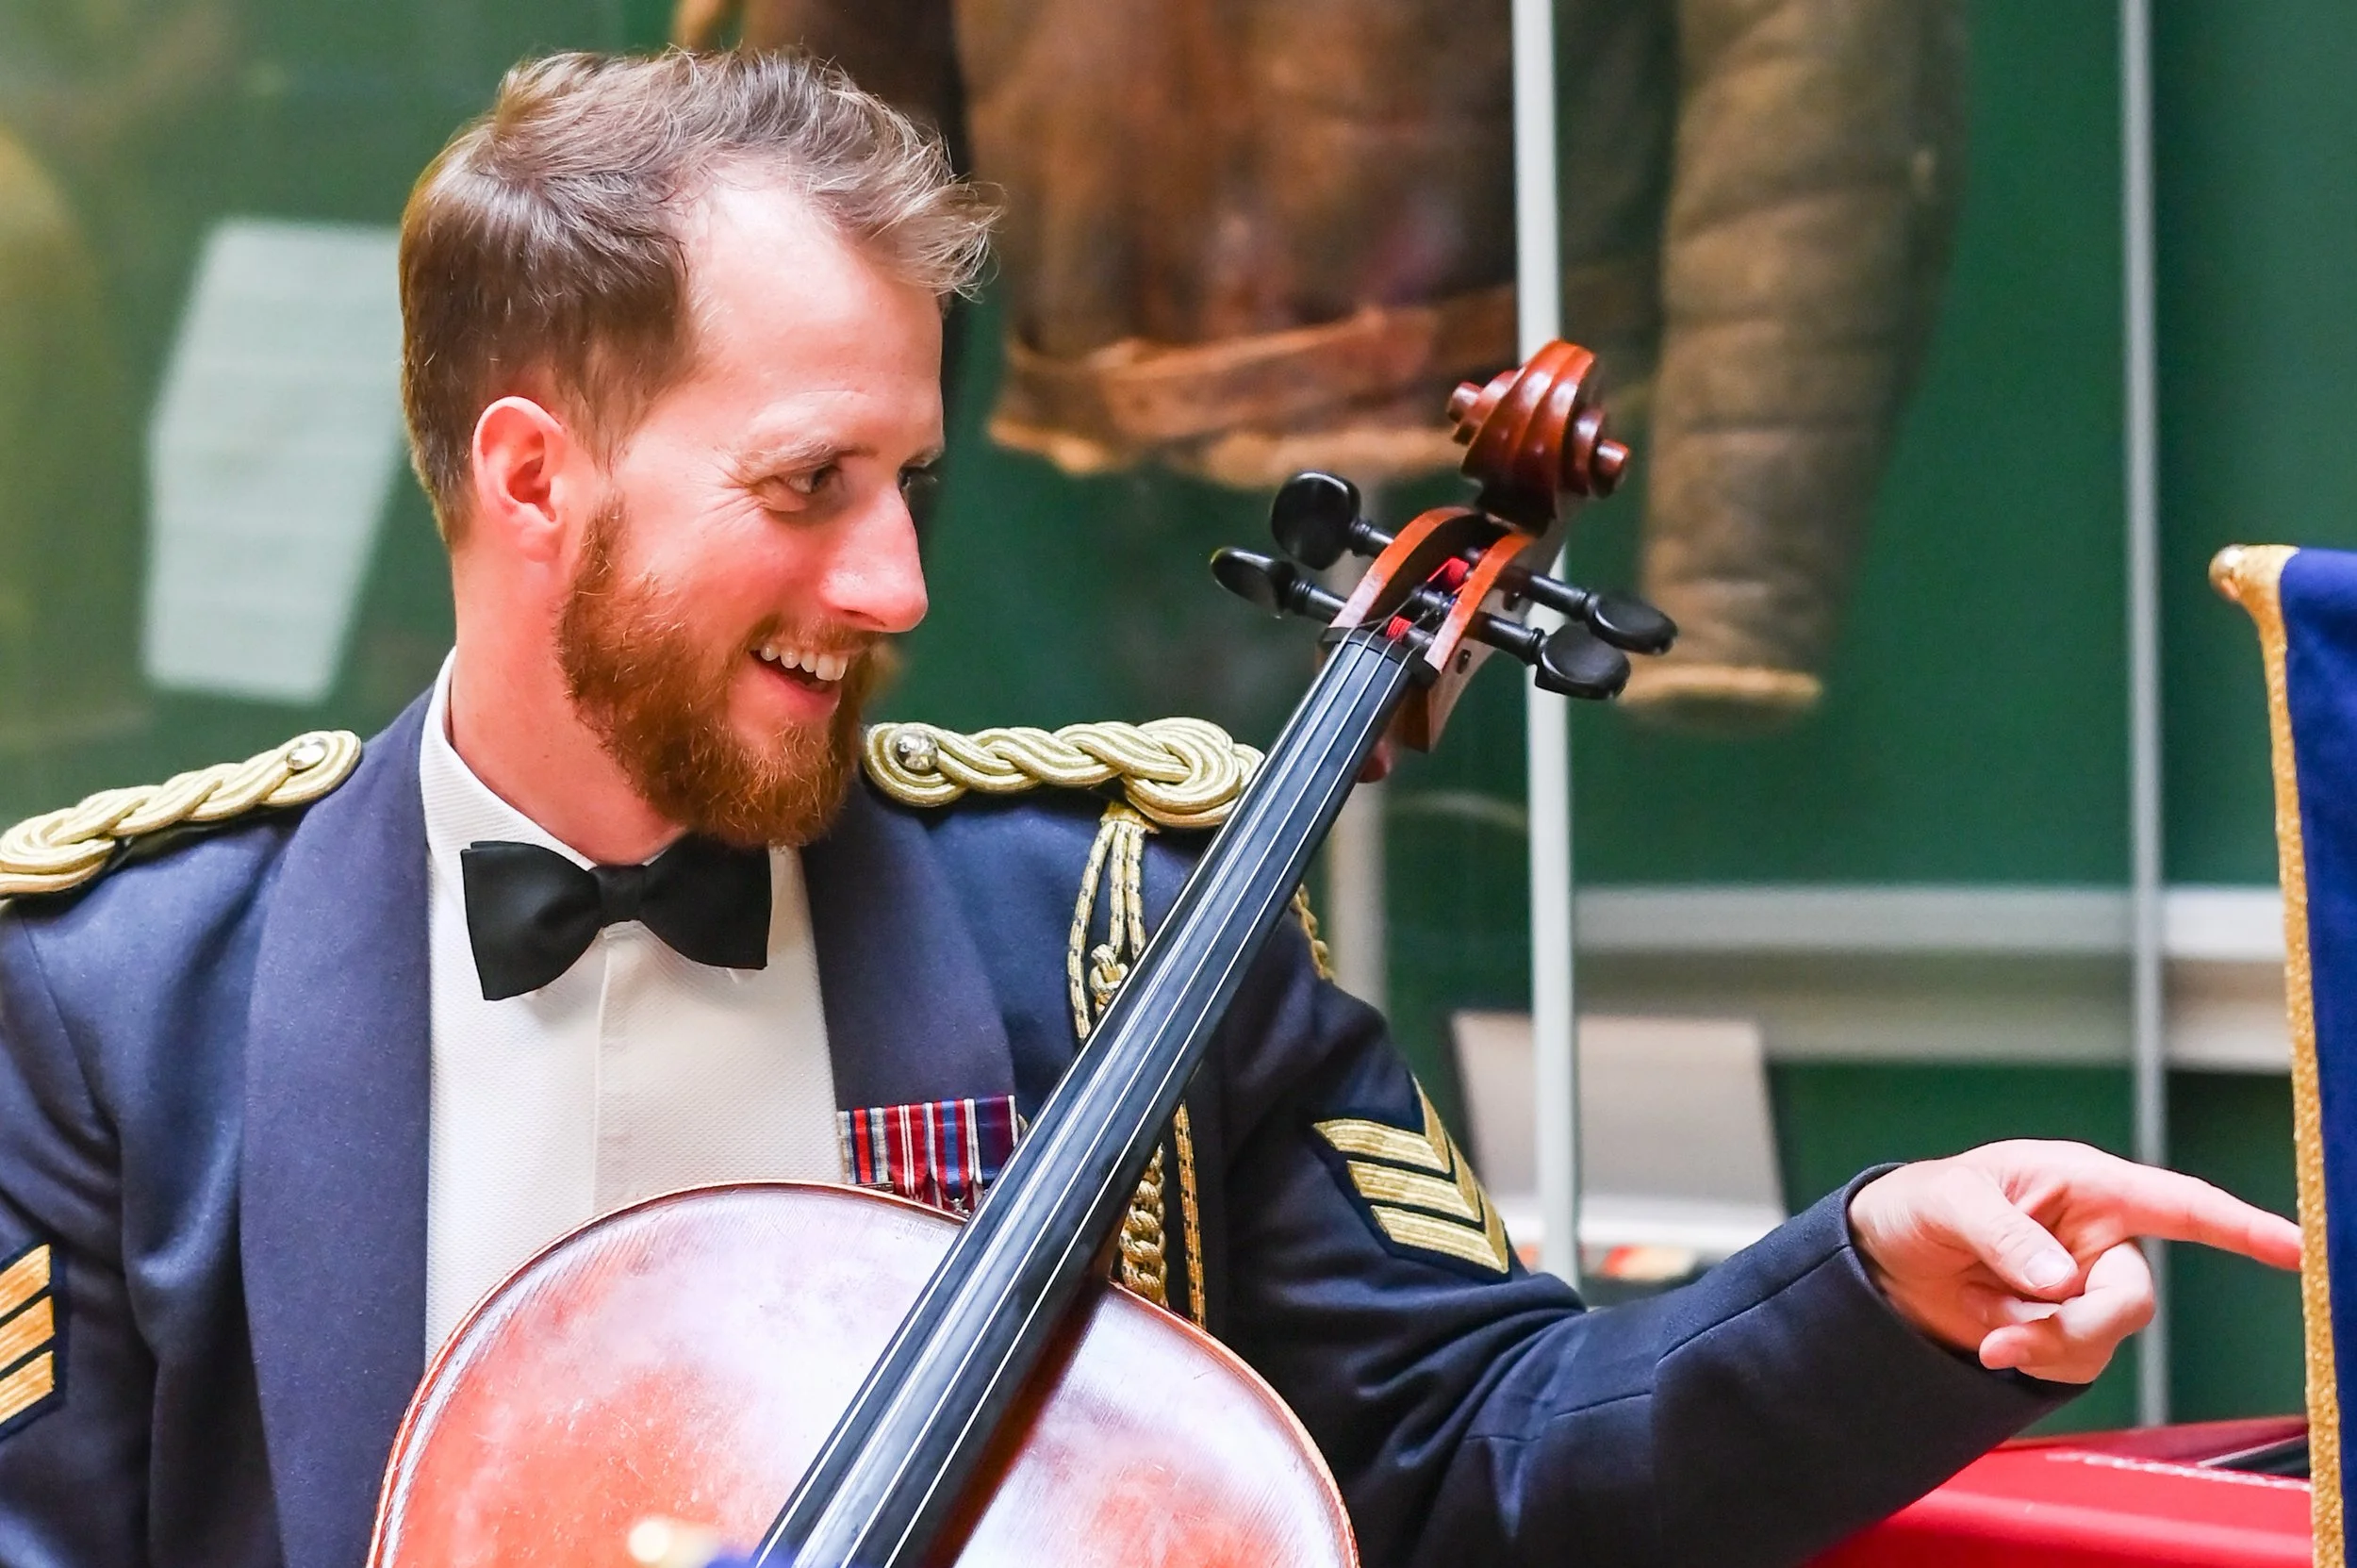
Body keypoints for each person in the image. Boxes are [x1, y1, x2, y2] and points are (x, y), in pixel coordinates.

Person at [0, 49, 2299, 1568]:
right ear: (531, 476)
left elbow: (1466, 1466)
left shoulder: (1107, 932)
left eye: (905, 476)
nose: (892, 580)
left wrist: (1871, 1277)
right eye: (806, 487)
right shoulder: (110, 1004)